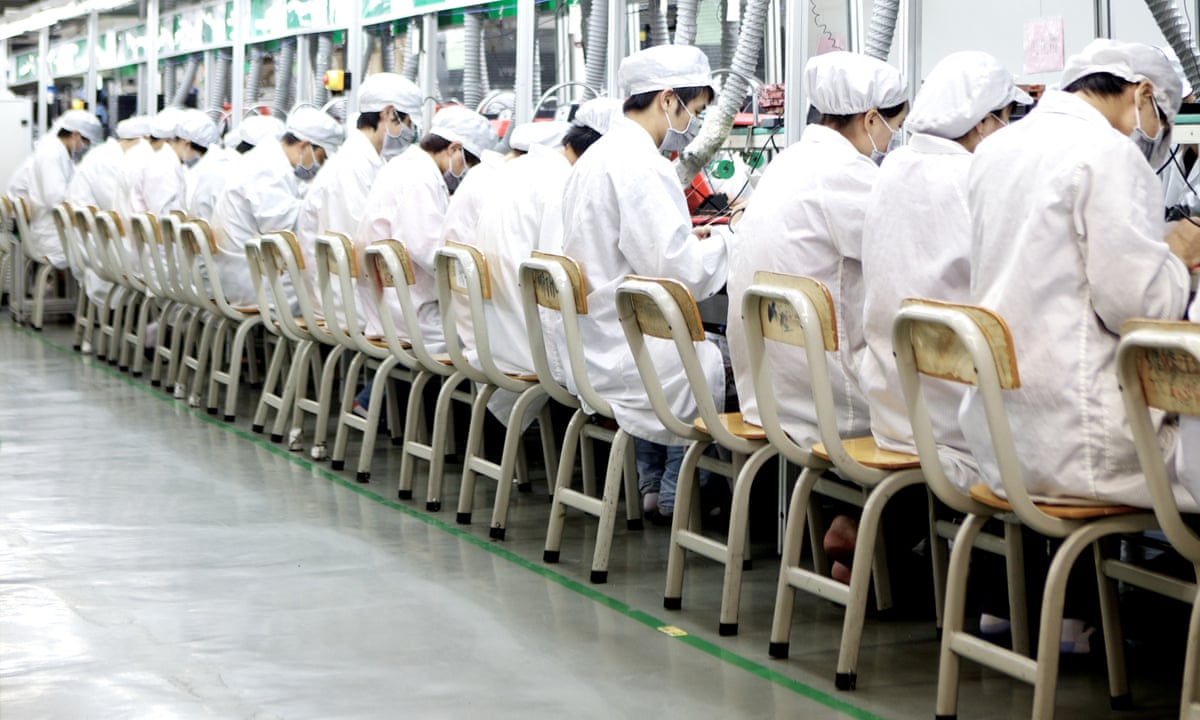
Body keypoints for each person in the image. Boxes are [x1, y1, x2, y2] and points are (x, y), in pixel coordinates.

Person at [964, 38, 1200, 512]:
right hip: (1083, 448)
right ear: (1143, 93)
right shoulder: (1109, 154)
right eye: (1163, 121)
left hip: (1003, 441)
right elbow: (1140, 307)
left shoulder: (997, 150)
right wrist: (1177, 251)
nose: (1158, 138)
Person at [725, 50, 907, 579]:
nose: (892, 140)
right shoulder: (848, 175)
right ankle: (876, 533)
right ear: (871, 119)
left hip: (772, 389)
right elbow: (899, 256)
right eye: (893, 126)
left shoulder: (789, 164)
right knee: (947, 426)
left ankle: (855, 521)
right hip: (827, 398)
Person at [560, 44, 728, 523]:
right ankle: (684, 489)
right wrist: (732, 241)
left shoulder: (599, 156)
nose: (690, 124)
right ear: (668, 99)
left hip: (593, 344)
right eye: (693, 111)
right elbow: (685, 274)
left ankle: (654, 484)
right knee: (729, 358)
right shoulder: (642, 164)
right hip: (627, 354)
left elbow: (640, 248)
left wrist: (686, 237)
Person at [861, 51, 1029, 491]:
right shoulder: (973, 178)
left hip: (893, 405)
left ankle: (876, 524)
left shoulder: (891, 168)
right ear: (981, 123)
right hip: (954, 413)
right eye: (1006, 119)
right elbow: (1013, 289)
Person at [465, 99, 619, 426]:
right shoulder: (562, 183)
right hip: (528, 345)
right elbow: (561, 278)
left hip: (495, 335)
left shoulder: (519, 170)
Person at [356, 105, 494, 350]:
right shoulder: (421, 179)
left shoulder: (404, 166)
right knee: (490, 339)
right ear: (454, 149)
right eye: (468, 163)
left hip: (393, 306)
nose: (466, 172)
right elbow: (431, 254)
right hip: (414, 317)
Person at [295, 71, 423, 313]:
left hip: (349, 289)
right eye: (407, 124)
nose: (410, 134)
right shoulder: (352, 167)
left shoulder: (366, 161)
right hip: (349, 301)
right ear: (388, 113)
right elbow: (365, 244)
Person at [210, 107, 344, 308]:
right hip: (252, 281)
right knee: (336, 303)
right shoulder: (268, 167)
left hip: (244, 270)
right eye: (321, 158)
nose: (319, 166)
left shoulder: (269, 160)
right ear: (305, 146)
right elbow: (285, 227)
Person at [7, 109, 103, 270]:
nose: (84, 147)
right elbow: (55, 199)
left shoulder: (55, 151)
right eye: (85, 142)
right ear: (75, 135)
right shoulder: (51, 153)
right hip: (51, 237)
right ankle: (90, 295)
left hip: (48, 229)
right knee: (100, 253)